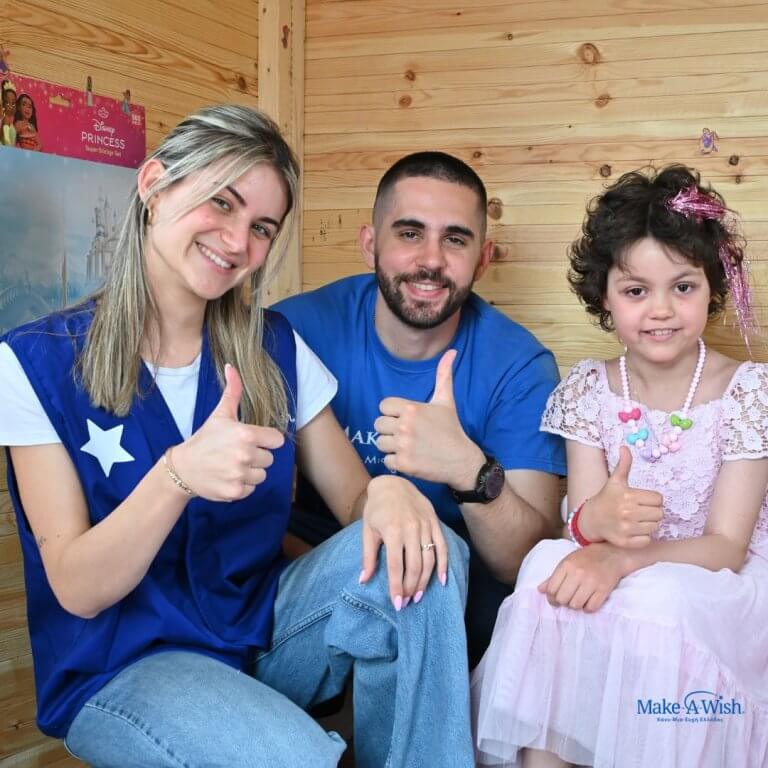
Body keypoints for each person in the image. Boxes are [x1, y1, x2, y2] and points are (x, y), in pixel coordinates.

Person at [0, 105, 475, 767]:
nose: (235, 241)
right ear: (154, 185)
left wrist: (392, 495)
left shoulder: (275, 346)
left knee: (427, 551)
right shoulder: (32, 362)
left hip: (260, 636)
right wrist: (177, 477)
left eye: (261, 228)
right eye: (221, 203)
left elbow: (355, 500)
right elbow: (78, 588)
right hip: (123, 669)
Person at [472, 165, 768, 767]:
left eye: (682, 287)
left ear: (711, 287)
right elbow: (580, 525)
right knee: (548, 567)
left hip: (713, 581)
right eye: (636, 291)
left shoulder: (747, 392)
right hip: (621, 566)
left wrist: (621, 557)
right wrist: (593, 522)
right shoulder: (590, 390)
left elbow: (727, 547)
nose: (661, 309)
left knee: (660, 599)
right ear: (604, 296)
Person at [275, 151, 566, 666]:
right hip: (319, 551)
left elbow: (522, 560)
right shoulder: (294, 331)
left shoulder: (519, 365)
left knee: (460, 584)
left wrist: (468, 470)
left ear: (483, 258)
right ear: (370, 244)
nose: (431, 260)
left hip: (456, 567)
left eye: (455, 239)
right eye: (410, 233)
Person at [1, 78, 16, 146]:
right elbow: (6, 139)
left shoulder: (9, 120)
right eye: (7, 103)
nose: (10, 106)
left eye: (13, 103)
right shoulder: (5, 119)